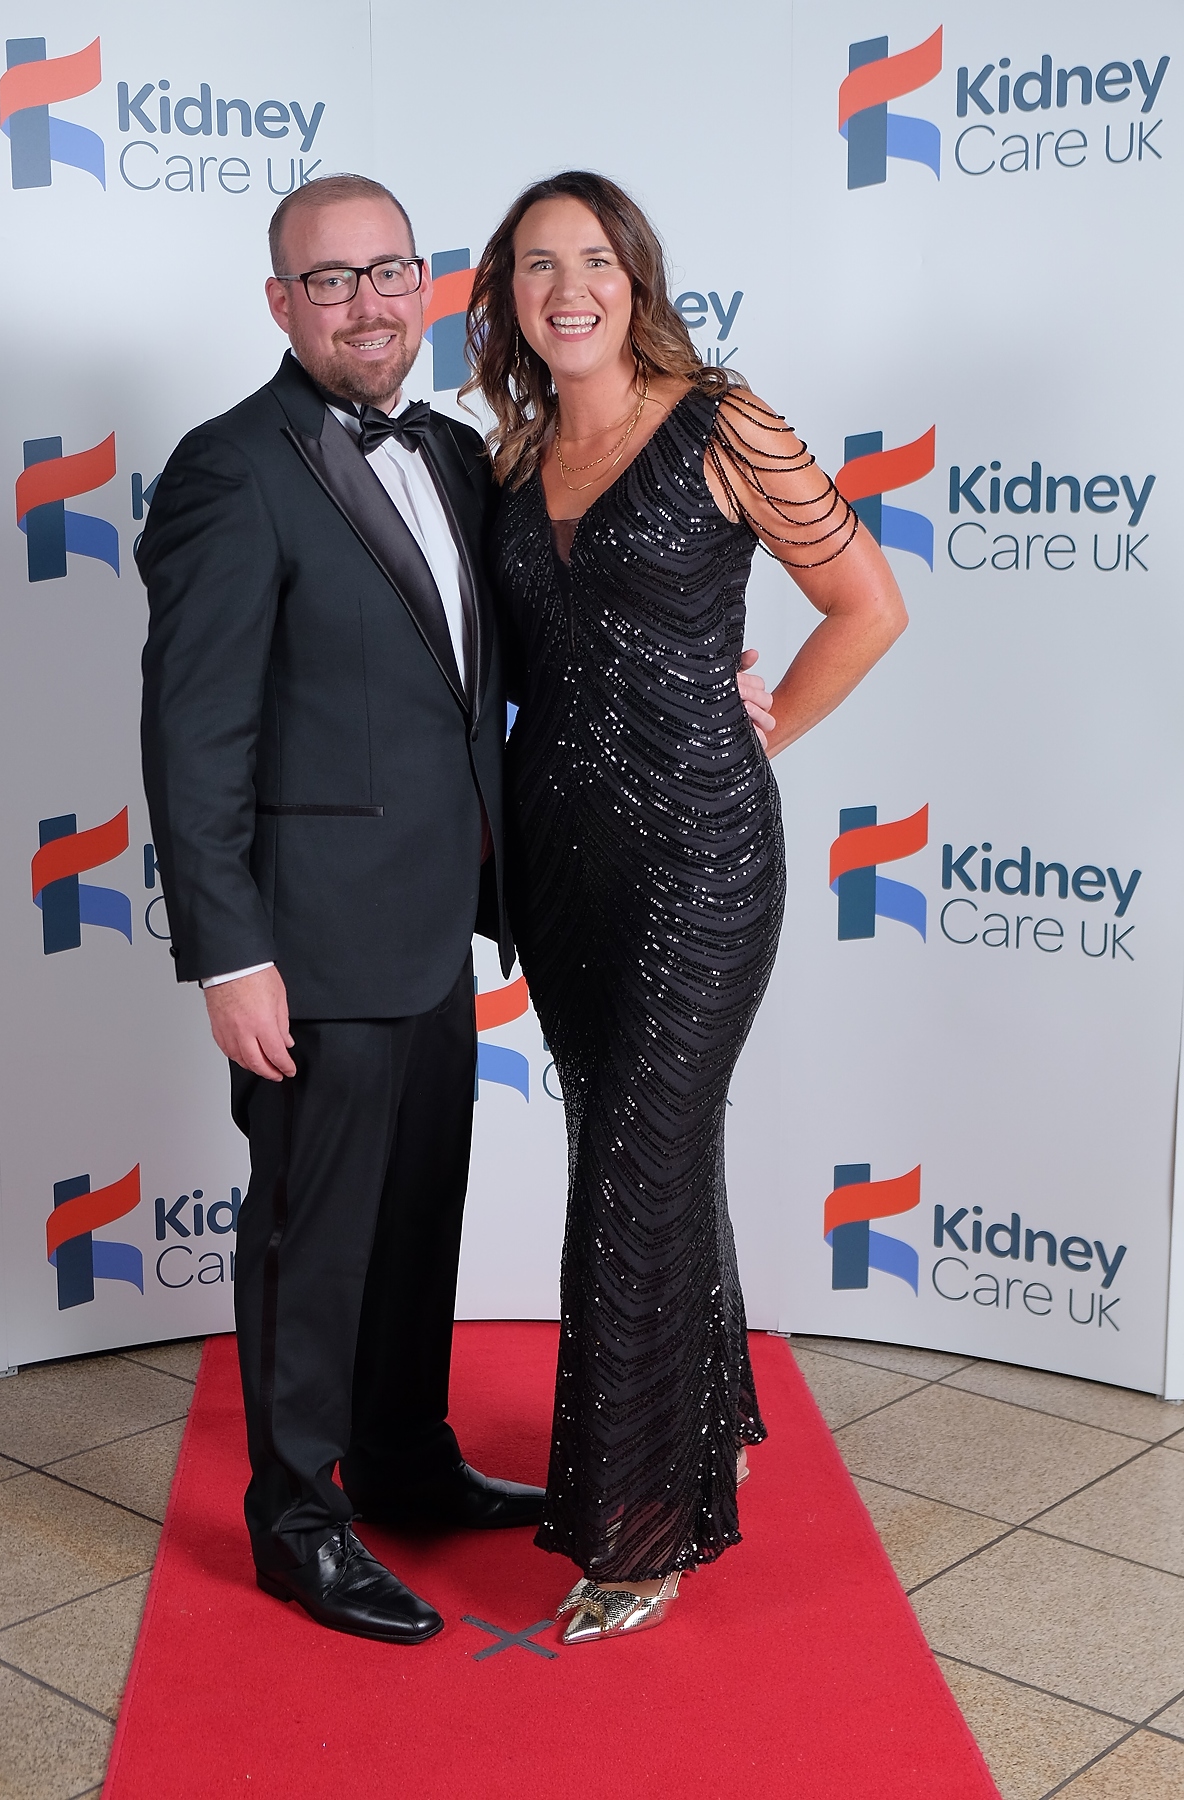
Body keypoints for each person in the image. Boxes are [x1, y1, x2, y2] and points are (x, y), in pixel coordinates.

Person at [466, 171, 907, 1644]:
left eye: (593, 259)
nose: (568, 288)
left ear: (636, 278)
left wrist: (759, 729)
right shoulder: (514, 458)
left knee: (635, 1165)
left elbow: (869, 604)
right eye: (538, 265)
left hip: (701, 855)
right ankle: (706, 1419)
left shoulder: (724, 423)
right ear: (508, 295)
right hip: (560, 863)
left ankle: (642, 1529)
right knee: (632, 1138)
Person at [138, 173, 544, 1648]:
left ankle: (405, 1460)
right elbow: (195, 736)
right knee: (314, 1242)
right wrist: (230, 954)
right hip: (310, 941)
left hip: (436, 924)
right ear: (280, 302)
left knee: (420, 1213)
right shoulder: (227, 469)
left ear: (424, 284)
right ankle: (298, 1521)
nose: (367, 305)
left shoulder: (455, 451)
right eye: (330, 280)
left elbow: (500, 659)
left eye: (389, 273)